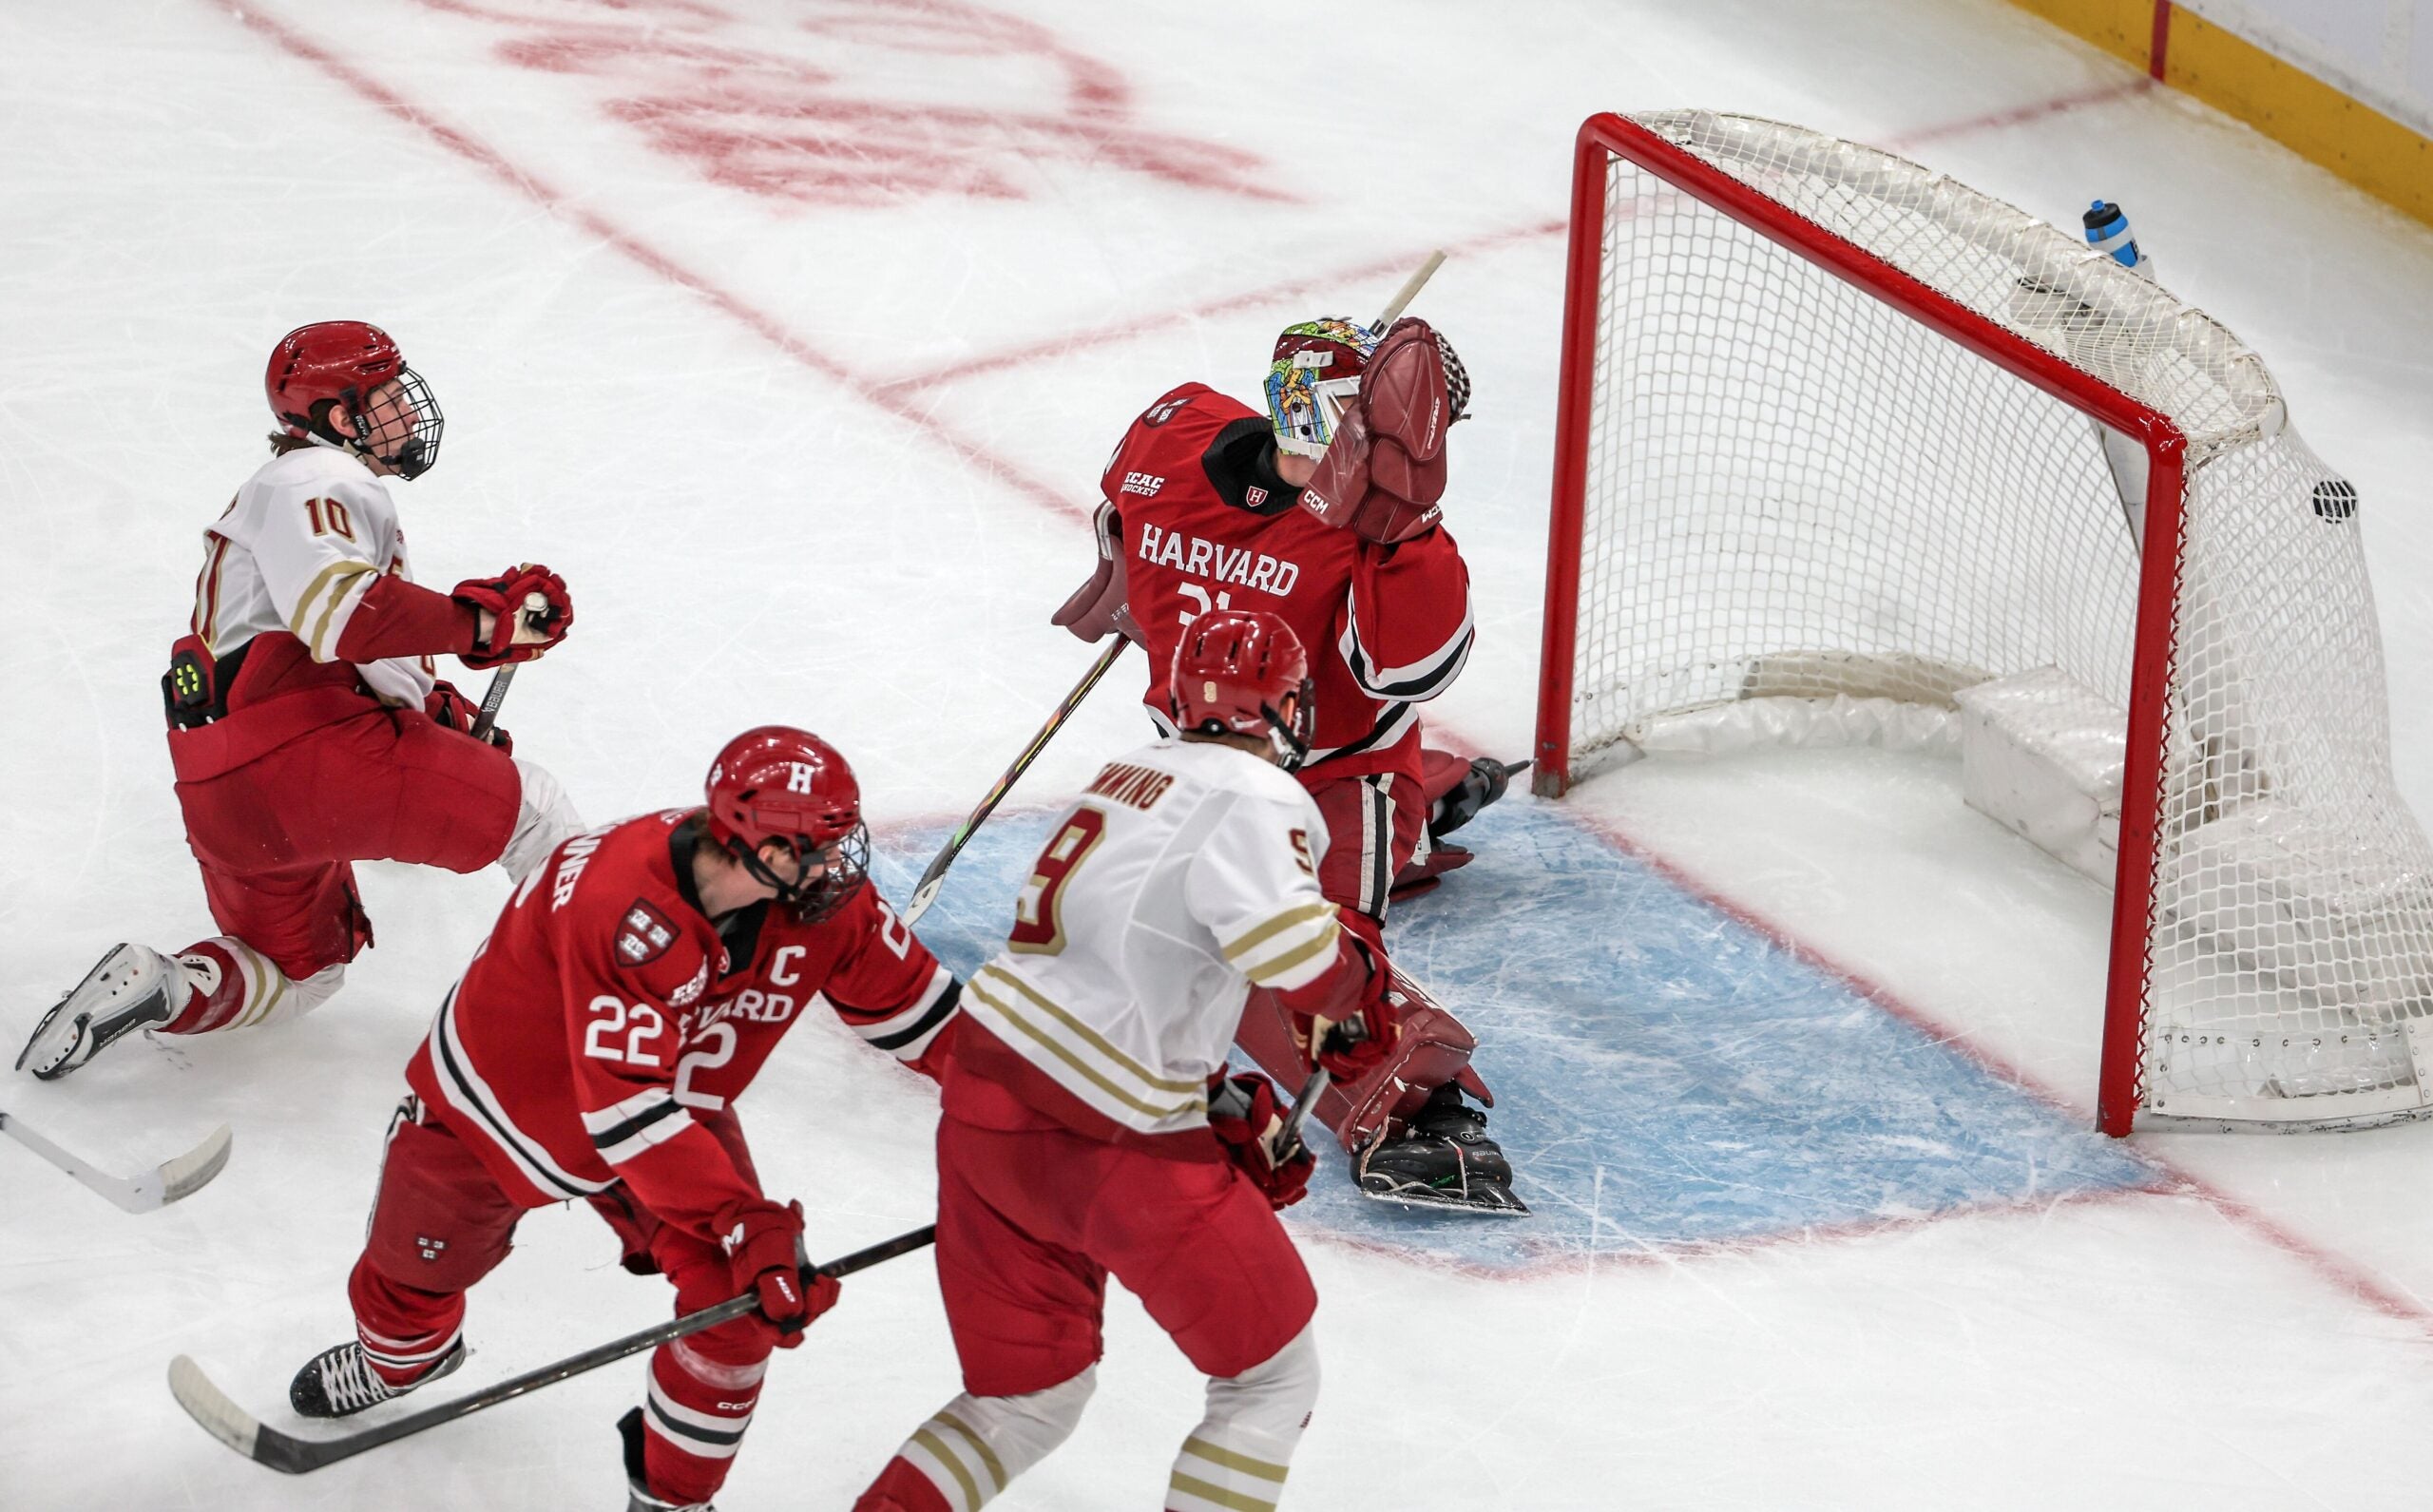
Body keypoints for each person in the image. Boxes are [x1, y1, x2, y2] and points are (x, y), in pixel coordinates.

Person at [289, 726, 964, 1512]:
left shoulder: (818, 907)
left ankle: (672, 1499)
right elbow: (624, 1110)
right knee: (409, 1278)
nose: (839, 866)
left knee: (736, 1313)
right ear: (760, 847)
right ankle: (403, 1360)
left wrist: (1054, 1109)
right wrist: (746, 1219)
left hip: (671, 1115)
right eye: (819, 846)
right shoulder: (624, 900)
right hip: (496, 1112)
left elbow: (936, 1026)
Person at [854, 608, 1395, 1512]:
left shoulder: (1126, 776)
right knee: (1270, 1383)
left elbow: (1115, 964)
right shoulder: (1257, 795)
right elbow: (1297, 960)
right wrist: (1356, 987)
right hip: (1105, 1140)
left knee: (1022, 1401)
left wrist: (1214, 1099)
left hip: (983, 1105)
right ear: (1287, 709)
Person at [15, 321, 584, 1079]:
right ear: (339, 419)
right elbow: (340, 614)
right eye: (387, 400)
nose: (409, 417)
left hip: (223, 791)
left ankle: (165, 985)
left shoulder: (287, 497)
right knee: (533, 810)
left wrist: (435, 711)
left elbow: (332, 645)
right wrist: (484, 622)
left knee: (297, 971)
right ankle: (609, 999)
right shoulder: (315, 478)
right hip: (308, 755)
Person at [1050, 314, 1524, 1214]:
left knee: (1302, 952)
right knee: (1174, 942)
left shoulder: (1387, 533)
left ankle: (1417, 1100)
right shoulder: (1176, 437)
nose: (1391, 446)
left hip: (1343, 773)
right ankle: (1432, 803)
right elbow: (1124, 507)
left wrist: (1407, 521)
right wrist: (1120, 584)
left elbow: (1411, 669)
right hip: (1202, 766)